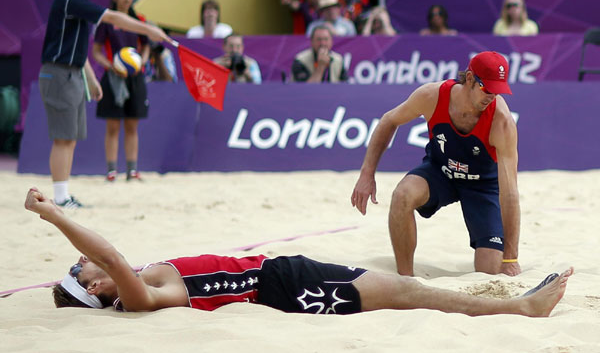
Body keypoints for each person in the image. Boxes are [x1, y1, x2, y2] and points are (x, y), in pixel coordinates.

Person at [24, 187, 572, 317]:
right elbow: (112, 256)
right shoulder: (141, 296)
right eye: (81, 269)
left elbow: (115, 258)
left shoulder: (142, 280)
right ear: (96, 287)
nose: (85, 262)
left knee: (404, 291)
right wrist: (53, 215)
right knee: (403, 293)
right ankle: (518, 308)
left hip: (280, 274)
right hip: (282, 290)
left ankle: (511, 304)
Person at [351, 51, 522, 277]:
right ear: (469, 78)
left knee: (489, 271)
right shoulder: (432, 96)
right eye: (487, 88)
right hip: (441, 171)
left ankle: (495, 256)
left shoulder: (502, 121)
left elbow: (509, 193)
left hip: (482, 185)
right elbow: (389, 120)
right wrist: (367, 174)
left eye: (497, 91)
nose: (492, 96)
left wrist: (511, 258)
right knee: (402, 195)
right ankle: (406, 279)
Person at [38, 0, 169, 208]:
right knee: (63, 138)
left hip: (72, 73)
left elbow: (75, 47)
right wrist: (148, 30)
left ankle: (63, 196)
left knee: (70, 139)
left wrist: (90, 78)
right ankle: (60, 198)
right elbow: (111, 17)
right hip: (58, 74)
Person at [92, 0, 149, 182]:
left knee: (132, 125)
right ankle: (111, 171)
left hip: (135, 76)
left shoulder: (138, 19)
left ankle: (132, 171)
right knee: (113, 126)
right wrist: (110, 66)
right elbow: (96, 52)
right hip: (114, 76)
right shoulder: (107, 20)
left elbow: (147, 46)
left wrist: (141, 61)